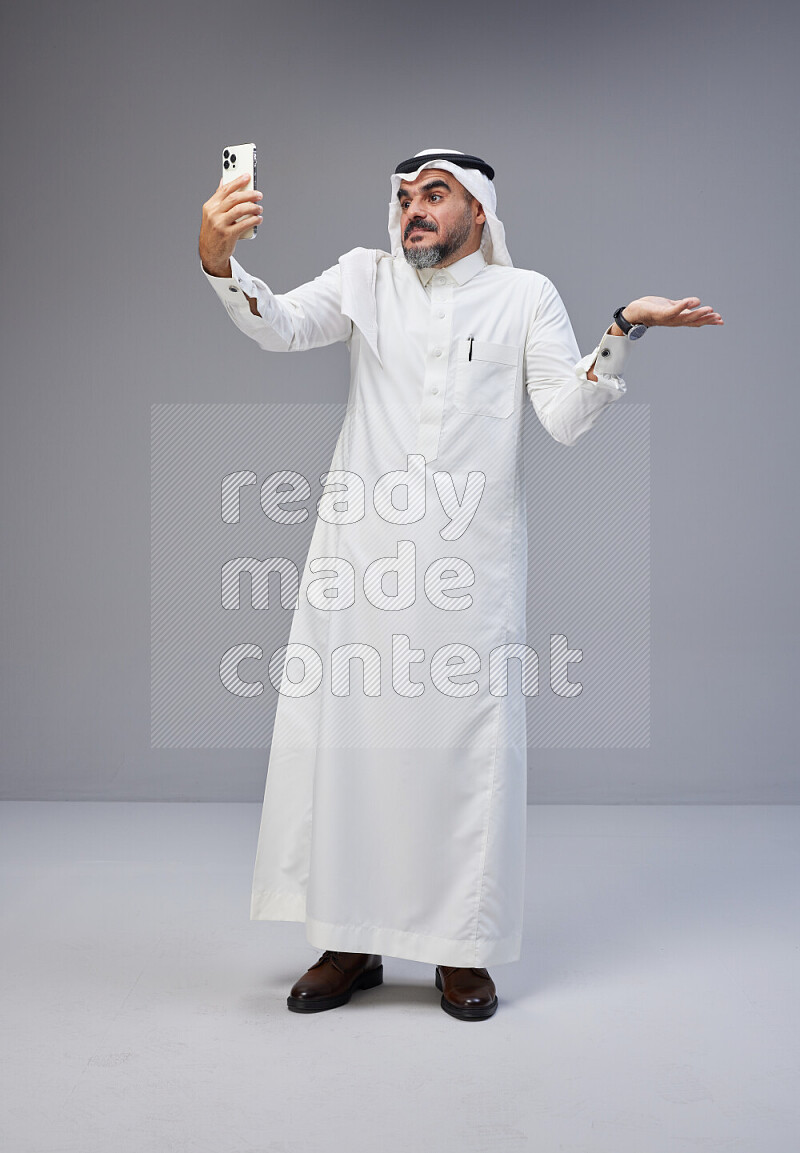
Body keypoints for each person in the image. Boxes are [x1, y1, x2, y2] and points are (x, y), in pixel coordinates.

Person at [198, 148, 722, 1021]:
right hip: (360, 560)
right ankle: (348, 940)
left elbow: (561, 414)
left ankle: (459, 951)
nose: (413, 209)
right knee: (353, 748)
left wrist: (622, 329)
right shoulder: (365, 279)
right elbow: (280, 323)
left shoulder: (525, 297)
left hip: (467, 571)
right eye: (404, 196)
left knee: (462, 754)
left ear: (478, 210)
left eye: (434, 195)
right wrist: (217, 256)